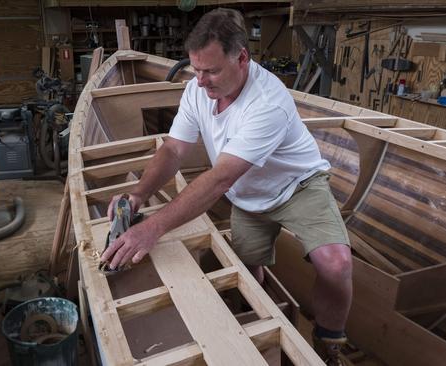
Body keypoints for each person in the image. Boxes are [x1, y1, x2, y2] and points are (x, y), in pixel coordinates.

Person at [100, 8, 352, 365]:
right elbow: (173, 149)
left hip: (298, 185)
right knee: (246, 269)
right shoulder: (196, 89)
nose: (201, 81)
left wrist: (153, 228)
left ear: (242, 58)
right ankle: (260, 323)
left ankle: (328, 345)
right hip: (248, 193)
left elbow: (219, 179)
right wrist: (139, 192)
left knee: (336, 263)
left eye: (211, 70)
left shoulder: (268, 102)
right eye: (196, 69)